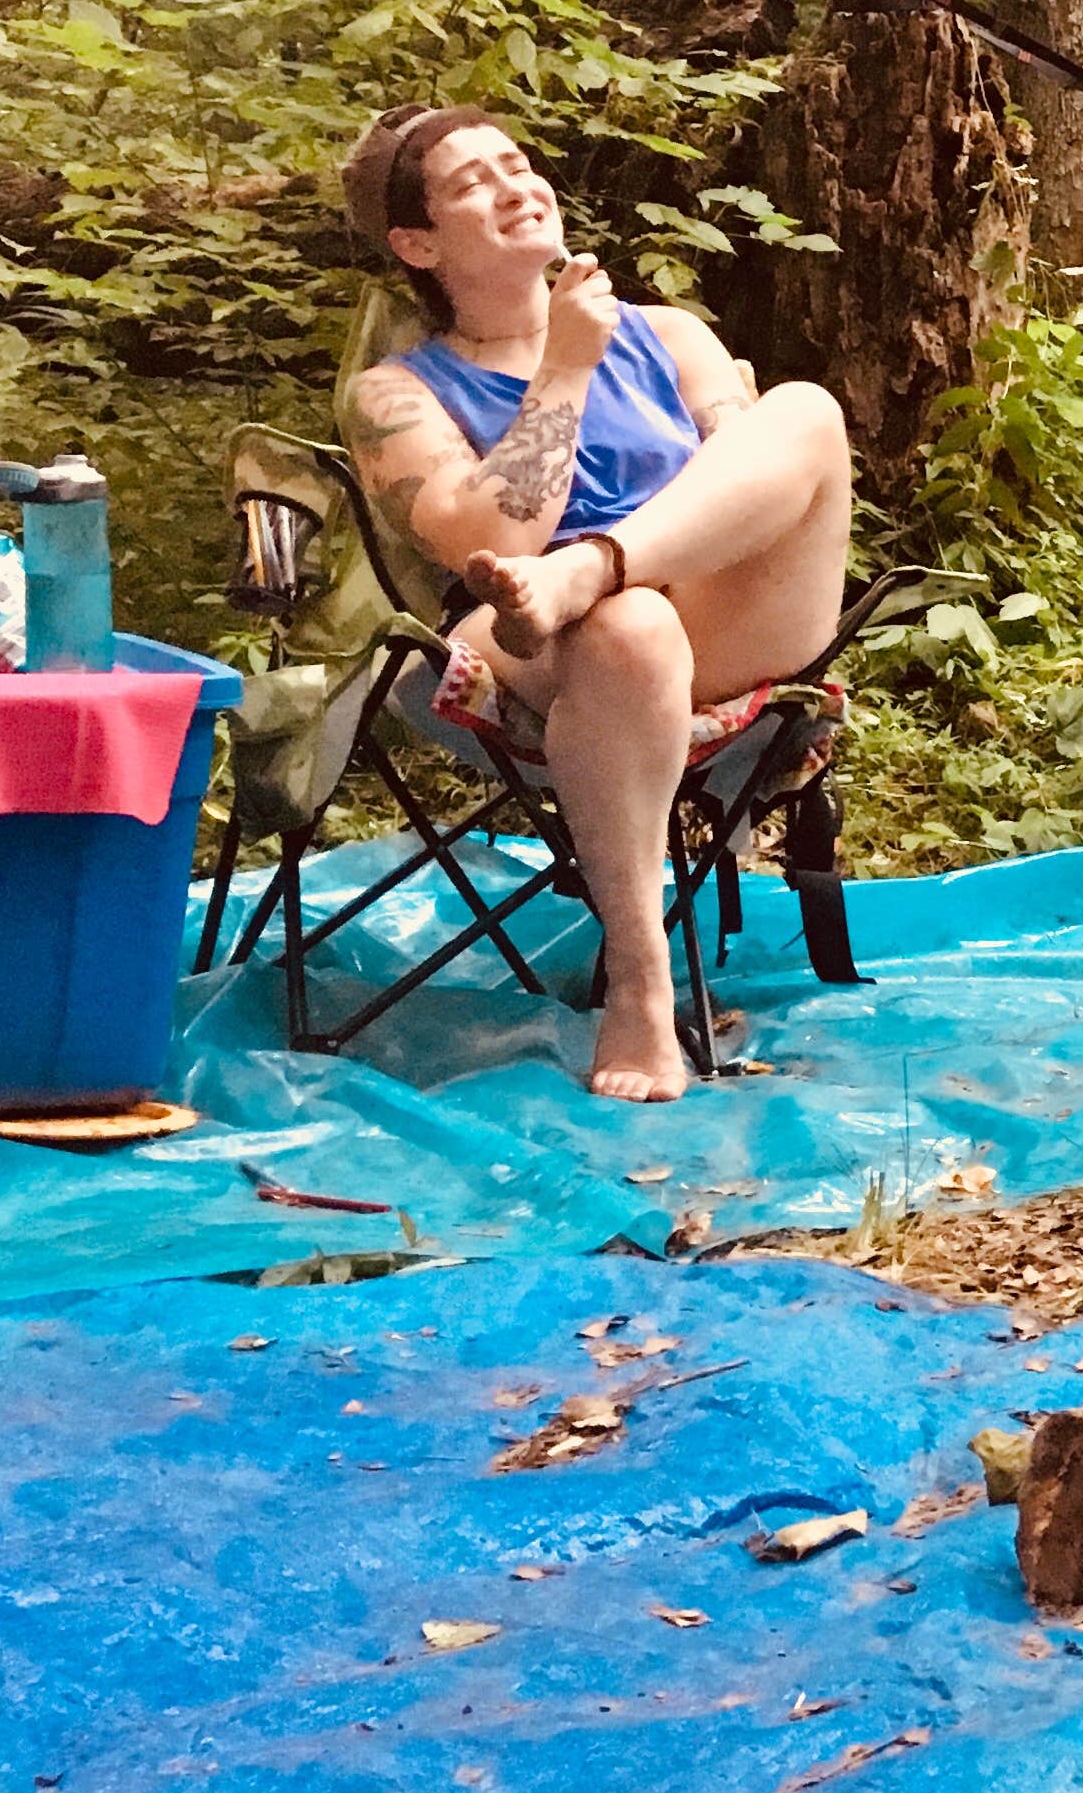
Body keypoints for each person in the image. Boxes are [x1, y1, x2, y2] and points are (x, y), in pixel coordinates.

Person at [335, 105, 853, 1103]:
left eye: (516, 163)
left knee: (806, 412)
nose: (514, 186)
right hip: (535, 635)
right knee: (629, 626)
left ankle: (597, 569)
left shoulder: (671, 335)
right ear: (418, 244)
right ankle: (642, 985)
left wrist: (602, 562)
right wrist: (564, 363)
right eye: (471, 184)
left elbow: (756, 494)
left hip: (710, 613)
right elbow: (493, 544)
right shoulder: (396, 395)